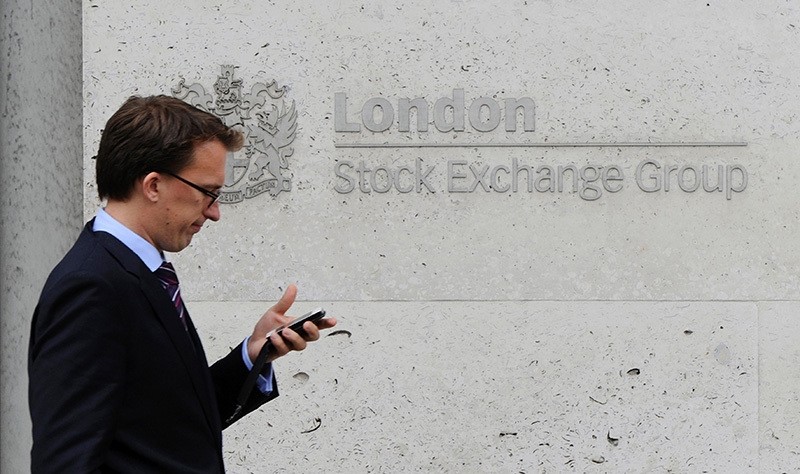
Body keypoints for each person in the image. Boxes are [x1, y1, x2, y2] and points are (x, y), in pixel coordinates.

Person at [27, 95, 336, 473]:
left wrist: (252, 357)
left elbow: (168, 426)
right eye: (208, 192)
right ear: (153, 185)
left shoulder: (139, 271)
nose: (215, 212)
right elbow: (65, 460)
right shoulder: (90, 287)